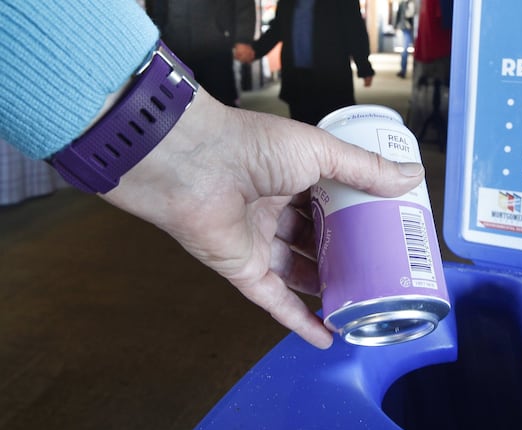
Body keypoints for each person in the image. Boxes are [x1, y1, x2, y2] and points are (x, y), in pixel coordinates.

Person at [0, 0, 425, 350]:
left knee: (328, 152)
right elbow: (273, 30)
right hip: (263, 73)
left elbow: (351, 33)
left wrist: (364, 65)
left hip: (329, 80)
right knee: (308, 143)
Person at [234, 0, 375, 125]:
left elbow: (354, 29)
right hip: (297, 78)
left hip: (331, 77)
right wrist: (255, 51)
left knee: (334, 130)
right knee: (302, 129)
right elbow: (278, 28)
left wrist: (364, 66)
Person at [145, 0, 256, 107]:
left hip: (216, 48)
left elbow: (244, 3)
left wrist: (243, 39)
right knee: (176, 107)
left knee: (221, 104)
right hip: (174, 50)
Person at [394, 0, 416, 79]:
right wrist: (395, 26)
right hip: (406, 28)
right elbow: (398, 15)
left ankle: (416, 71)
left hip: (415, 29)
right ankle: (403, 70)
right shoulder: (403, 4)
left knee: (417, 51)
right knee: (405, 50)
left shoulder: (416, 4)